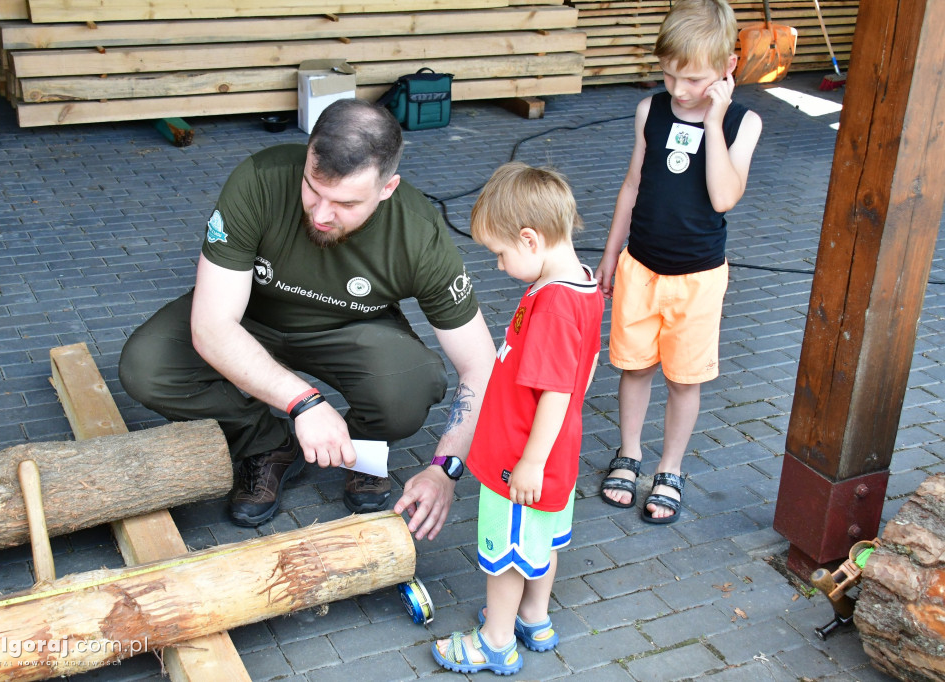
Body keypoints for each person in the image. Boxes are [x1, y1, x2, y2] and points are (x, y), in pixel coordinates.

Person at [118, 98, 495, 540]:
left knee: (410, 386)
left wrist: (445, 469)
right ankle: (267, 443)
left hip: (351, 329)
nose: (320, 214)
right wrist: (304, 403)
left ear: (387, 188)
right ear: (307, 156)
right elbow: (211, 326)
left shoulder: (419, 234)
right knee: (146, 367)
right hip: (250, 316)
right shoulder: (259, 179)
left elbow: (481, 365)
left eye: (346, 202)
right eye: (313, 188)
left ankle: (363, 452)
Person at [432, 163, 603, 675]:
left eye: (501, 254)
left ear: (530, 240)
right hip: (557, 453)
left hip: (518, 461)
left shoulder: (551, 304)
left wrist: (529, 461)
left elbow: (554, 388)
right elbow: (584, 371)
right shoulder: (585, 285)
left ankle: (495, 641)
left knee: (506, 552)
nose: (501, 266)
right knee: (543, 540)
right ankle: (535, 617)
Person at [595, 0, 762, 523]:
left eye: (692, 79)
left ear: (727, 69)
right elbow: (631, 185)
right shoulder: (652, 110)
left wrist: (713, 122)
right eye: (668, 75)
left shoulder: (743, 122)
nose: (678, 89)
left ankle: (670, 466)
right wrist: (609, 254)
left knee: (684, 379)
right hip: (640, 268)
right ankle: (629, 453)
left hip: (698, 278)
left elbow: (723, 197)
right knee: (634, 366)